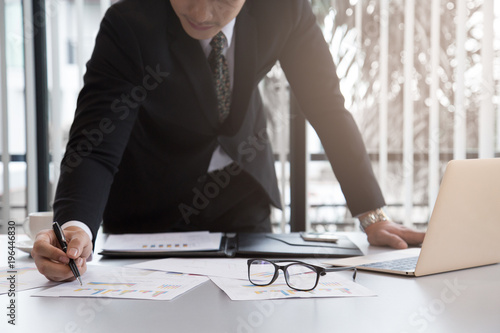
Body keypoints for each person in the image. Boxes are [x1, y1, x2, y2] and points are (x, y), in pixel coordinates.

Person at [32, 0, 425, 282]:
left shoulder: (284, 9)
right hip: (149, 200)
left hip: (241, 189)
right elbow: (96, 141)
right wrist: (76, 227)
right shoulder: (129, 22)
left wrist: (373, 215)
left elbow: (326, 108)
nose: (202, 14)